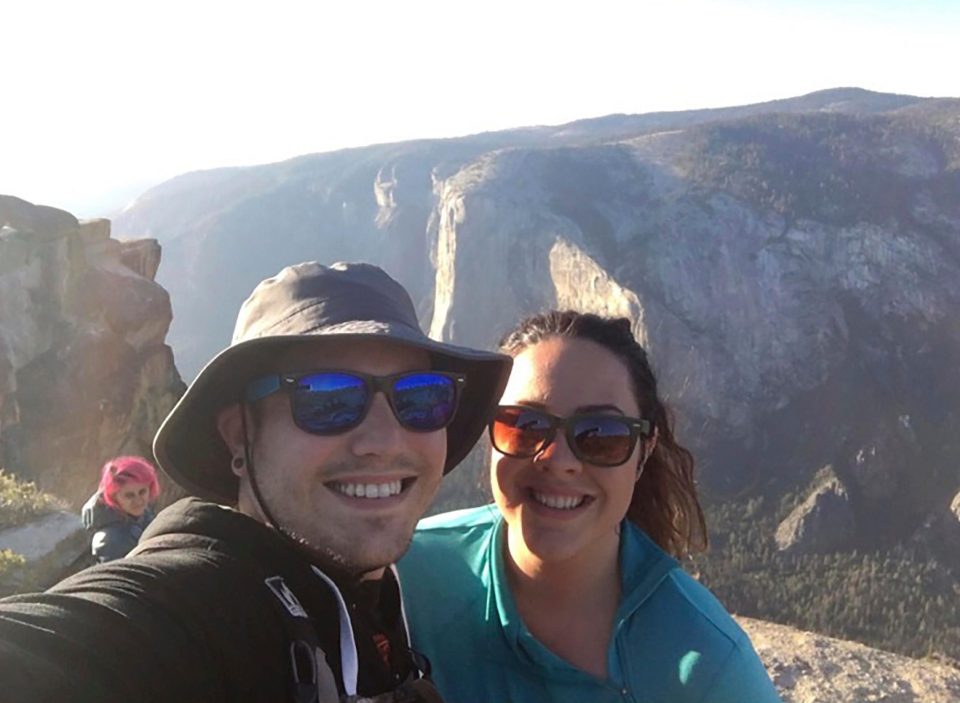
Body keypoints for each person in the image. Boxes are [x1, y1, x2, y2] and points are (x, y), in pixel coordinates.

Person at [0, 261, 511, 703]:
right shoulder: (197, 609)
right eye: (327, 399)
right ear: (238, 436)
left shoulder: (382, 600)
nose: (383, 440)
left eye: (421, 397)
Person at [398, 310, 782, 702]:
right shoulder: (406, 577)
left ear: (642, 454)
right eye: (525, 425)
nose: (559, 460)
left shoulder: (707, 669)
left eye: (602, 436)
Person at [81, 455, 160, 563]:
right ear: (114, 497)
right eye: (129, 495)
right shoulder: (110, 541)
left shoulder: (142, 513)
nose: (138, 501)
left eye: (142, 492)